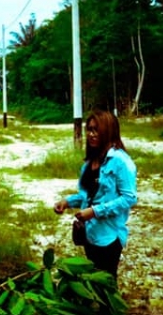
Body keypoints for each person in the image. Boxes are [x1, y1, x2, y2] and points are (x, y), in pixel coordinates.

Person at [54, 110, 137, 278]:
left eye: (97, 130)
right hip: (90, 232)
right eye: (89, 129)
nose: (91, 134)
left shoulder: (121, 161)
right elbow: (87, 195)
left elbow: (129, 198)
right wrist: (67, 202)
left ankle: (111, 306)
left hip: (110, 235)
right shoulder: (89, 163)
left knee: (106, 281)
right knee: (93, 277)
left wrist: (95, 211)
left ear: (109, 131)